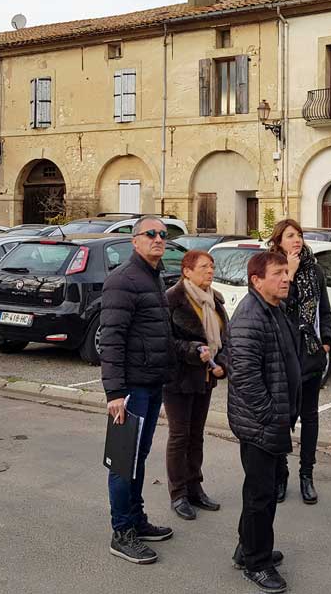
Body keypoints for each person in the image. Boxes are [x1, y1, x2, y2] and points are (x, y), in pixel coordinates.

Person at [100, 215, 201, 565]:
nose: (159, 239)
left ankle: (136, 519)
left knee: (139, 459)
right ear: (135, 240)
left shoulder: (152, 278)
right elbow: (111, 339)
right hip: (131, 389)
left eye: (163, 234)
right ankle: (122, 532)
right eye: (151, 234)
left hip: (152, 383)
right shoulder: (123, 281)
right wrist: (115, 393)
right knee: (124, 462)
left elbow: (159, 335)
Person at [227, 251, 301, 594]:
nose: (286, 278)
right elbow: (244, 376)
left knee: (262, 489)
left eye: (286, 272)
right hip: (259, 422)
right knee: (261, 494)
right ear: (257, 280)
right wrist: (271, 414)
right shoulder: (249, 317)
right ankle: (257, 563)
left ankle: (248, 547)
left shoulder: (273, 308)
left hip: (271, 419)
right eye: (278, 273)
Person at [267, 219, 331, 505]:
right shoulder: (272, 270)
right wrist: (289, 274)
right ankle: (280, 474)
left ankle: (306, 475)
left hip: (310, 353)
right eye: (290, 235)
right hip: (284, 353)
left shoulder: (315, 269)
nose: (296, 240)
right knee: (284, 417)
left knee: (310, 417)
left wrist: (328, 340)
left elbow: (325, 310)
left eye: (299, 235)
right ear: (279, 241)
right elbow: (277, 308)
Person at [164, 250, 229, 520]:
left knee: (197, 434)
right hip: (179, 378)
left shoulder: (215, 299)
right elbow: (165, 342)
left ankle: (195, 487)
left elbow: (226, 335)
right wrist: (192, 349)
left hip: (206, 376)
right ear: (187, 271)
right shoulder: (172, 300)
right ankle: (178, 494)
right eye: (204, 267)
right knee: (180, 436)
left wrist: (222, 361)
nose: (210, 271)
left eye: (212, 266)